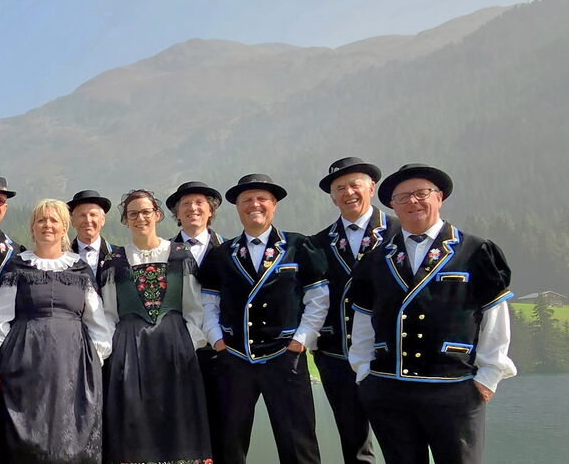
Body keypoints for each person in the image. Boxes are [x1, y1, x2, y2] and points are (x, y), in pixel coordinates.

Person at [347, 164, 516, 464]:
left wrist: (488, 377)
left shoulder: (475, 251)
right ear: (392, 206)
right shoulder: (376, 259)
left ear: (439, 197)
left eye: (421, 193)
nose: (412, 201)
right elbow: (362, 319)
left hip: (454, 389)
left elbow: (495, 316)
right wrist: (363, 372)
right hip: (389, 387)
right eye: (402, 197)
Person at [197, 174, 329, 464]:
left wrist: (300, 340)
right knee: (229, 441)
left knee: (298, 443)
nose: (254, 204)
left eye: (262, 199)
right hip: (235, 358)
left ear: (274, 205)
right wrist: (217, 341)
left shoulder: (298, 246)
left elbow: (318, 299)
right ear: (237, 207)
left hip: (285, 358)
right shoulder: (222, 254)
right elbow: (208, 303)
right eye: (246, 200)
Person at [0, 199, 113, 463]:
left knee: (71, 438)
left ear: (64, 227)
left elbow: (97, 323)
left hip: (74, 365)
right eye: (41, 220)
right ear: (32, 228)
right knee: (30, 437)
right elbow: (0, 320)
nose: (47, 225)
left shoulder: (79, 269)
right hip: (26, 363)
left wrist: (92, 361)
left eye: (54, 220)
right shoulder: (18, 267)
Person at [99, 189, 211, 463]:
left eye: (146, 212)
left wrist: (187, 342)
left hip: (175, 348)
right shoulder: (114, 262)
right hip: (130, 348)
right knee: (134, 421)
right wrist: (117, 351)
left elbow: (194, 308)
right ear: (125, 220)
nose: (140, 218)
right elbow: (109, 314)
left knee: (177, 419)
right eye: (133, 214)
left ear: (158, 215)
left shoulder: (180, 255)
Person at [310, 157, 398, 464]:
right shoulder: (317, 243)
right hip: (337, 357)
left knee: (402, 441)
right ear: (332, 197)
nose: (348, 193)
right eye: (340, 188)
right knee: (353, 442)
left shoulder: (400, 233)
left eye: (354, 185)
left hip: (392, 358)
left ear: (371, 187)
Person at [165, 180, 226, 461]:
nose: (193, 208)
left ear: (210, 211)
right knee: (180, 426)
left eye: (199, 203)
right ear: (177, 213)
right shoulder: (163, 253)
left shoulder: (228, 249)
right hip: (177, 352)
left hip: (221, 351)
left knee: (225, 426)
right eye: (186, 204)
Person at [67, 189, 114, 283]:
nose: (88, 220)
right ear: (72, 221)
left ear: (102, 220)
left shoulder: (117, 255)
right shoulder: (63, 256)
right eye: (82, 215)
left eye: (93, 215)